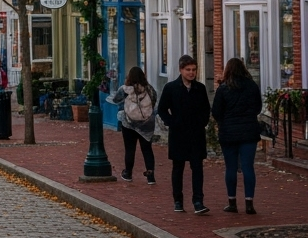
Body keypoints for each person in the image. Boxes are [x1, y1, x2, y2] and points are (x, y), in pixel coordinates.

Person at [157, 54, 211, 214]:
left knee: (197, 168)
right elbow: (162, 109)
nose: (191, 73)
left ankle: (198, 201)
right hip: (178, 134)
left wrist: (203, 122)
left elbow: (206, 109)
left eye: (194, 69)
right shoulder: (171, 88)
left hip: (196, 134)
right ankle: (178, 201)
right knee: (178, 168)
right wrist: (172, 122)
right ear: (181, 70)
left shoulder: (199, 88)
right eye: (188, 70)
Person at [212, 57, 263, 215]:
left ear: (227, 70)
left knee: (231, 168)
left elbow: (216, 112)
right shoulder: (252, 86)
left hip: (229, 133)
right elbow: (258, 107)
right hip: (249, 132)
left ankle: (232, 202)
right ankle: (249, 203)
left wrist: (224, 121)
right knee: (248, 167)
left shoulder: (223, 88)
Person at [109, 66, 157, 184]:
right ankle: (150, 176)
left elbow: (115, 100)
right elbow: (154, 100)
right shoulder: (149, 89)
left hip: (129, 123)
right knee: (147, 149)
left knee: (130, 149)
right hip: (146, 125)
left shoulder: (125, 89)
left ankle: (128, 173)